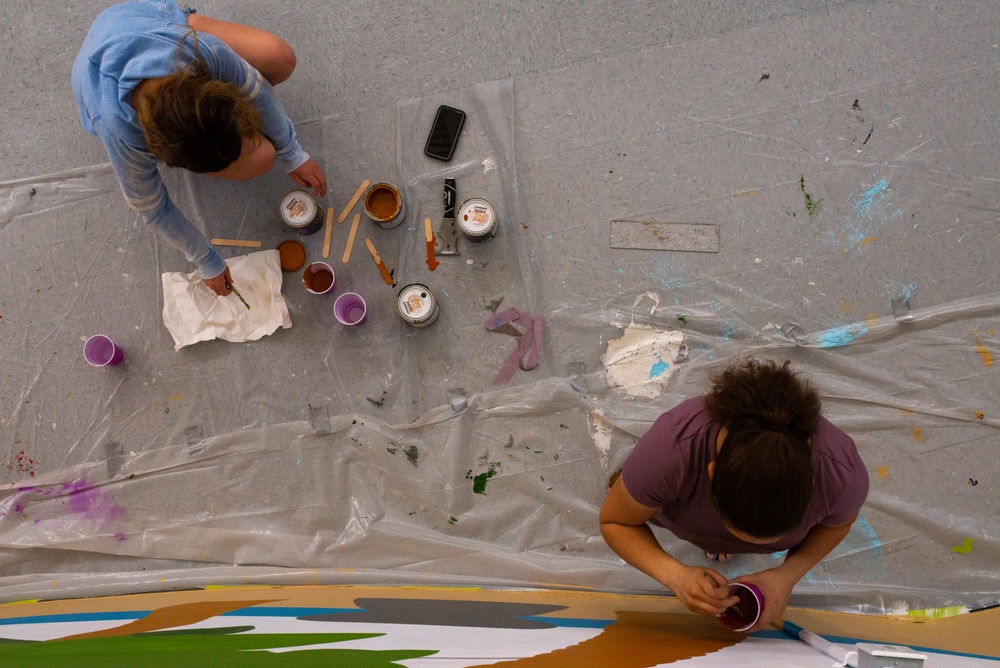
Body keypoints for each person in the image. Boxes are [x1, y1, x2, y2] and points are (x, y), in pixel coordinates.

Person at [72, 0, 328, 297]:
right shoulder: (121, 136)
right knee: (261, 158)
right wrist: (206, 260)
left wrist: (292, 151)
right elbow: (152, 209)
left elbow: (256, 89)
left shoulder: (196, 50)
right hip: (98, 73)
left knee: (279, 58)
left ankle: (188, 19)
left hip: (149, 21)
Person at [599, 359, 869, 632]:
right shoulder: (670, 451)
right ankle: (631, 484)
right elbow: (615, 522)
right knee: (633, 495)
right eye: (728, 528)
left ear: (812, 485)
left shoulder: (843, 476)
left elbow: (838, 524)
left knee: (644, 491)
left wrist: (787, 575)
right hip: (666, 482)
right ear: (711, 475)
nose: (748, 546)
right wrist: (674, 575)